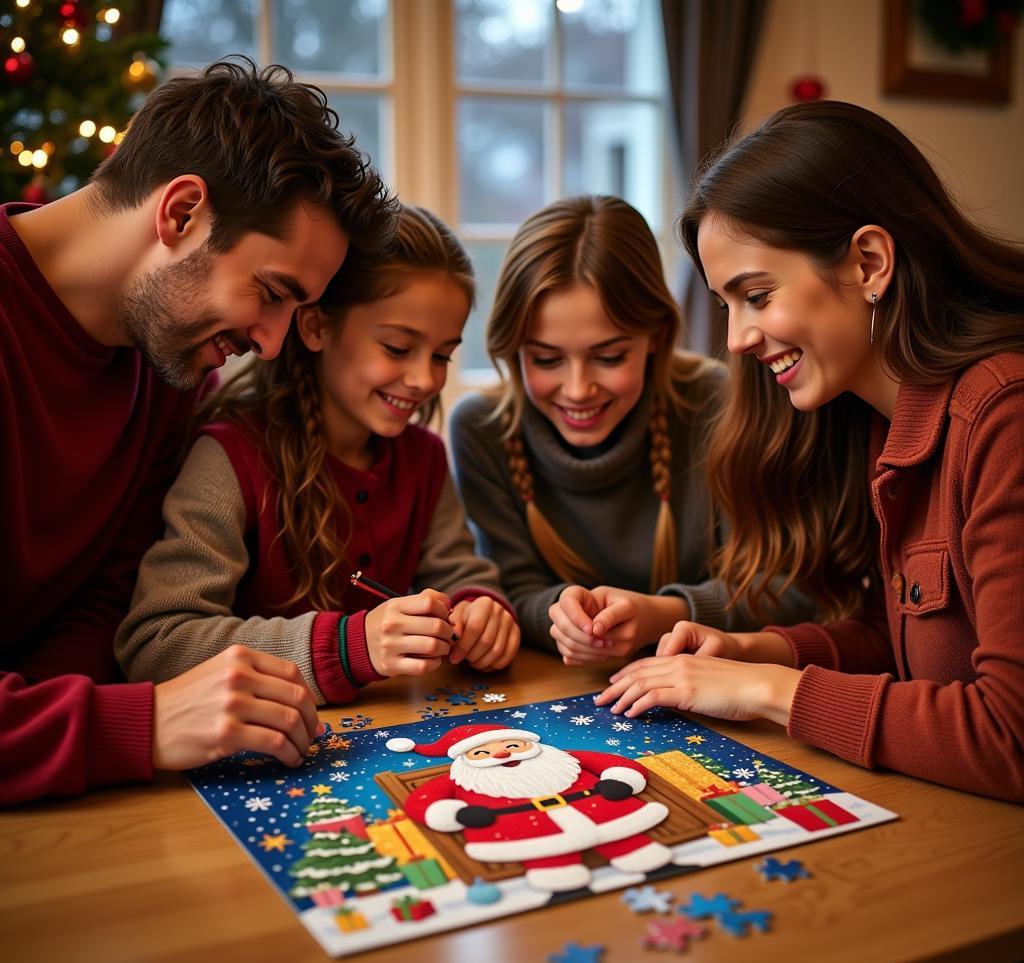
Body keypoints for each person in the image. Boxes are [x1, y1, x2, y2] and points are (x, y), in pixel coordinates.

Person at [598, 101, 1024, 802]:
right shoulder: (882, 420)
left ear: (869, 262)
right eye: (727, 304)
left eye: (756, 295)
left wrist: (770, 690)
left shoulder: (1001, 415)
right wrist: (750, 650)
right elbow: (913, 650)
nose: (736, 338)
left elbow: (1009, 734)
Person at [1, 57, 397, 804]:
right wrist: (138, 726)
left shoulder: (171, 376)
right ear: (181, 212)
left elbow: (94, 611)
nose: (275, 345)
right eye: (272, 293)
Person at [116, 204, 520, 699]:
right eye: (397, 348)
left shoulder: (424, 458)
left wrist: (480, 611)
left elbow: (461, 572)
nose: (425, 380)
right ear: (315, 328)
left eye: (442, 356)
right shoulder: (230, 457)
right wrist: (348, 648)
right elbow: (157, 645)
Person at [450, 195, 814, 664]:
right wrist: (559, 616)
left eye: (609, 357)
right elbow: (510, 589)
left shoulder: (719, 403)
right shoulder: (481, 429)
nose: (578, 389)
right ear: (511, 349)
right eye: (545, 359)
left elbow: (787, 588)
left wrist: (664, 613)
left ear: (656, 337)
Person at [388, 721, 672, 894]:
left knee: (626, 839)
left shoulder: (562, 759)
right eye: (482, 753)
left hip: (599, 811)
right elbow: (422, 801)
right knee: (548, 858)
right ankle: (558, 884)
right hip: (524, 832)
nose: (501, 754)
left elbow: (612, 763)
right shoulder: (461, 779)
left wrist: (620, 780)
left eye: (512, 745)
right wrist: (456, 814)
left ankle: (651, 863)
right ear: (465, 759)